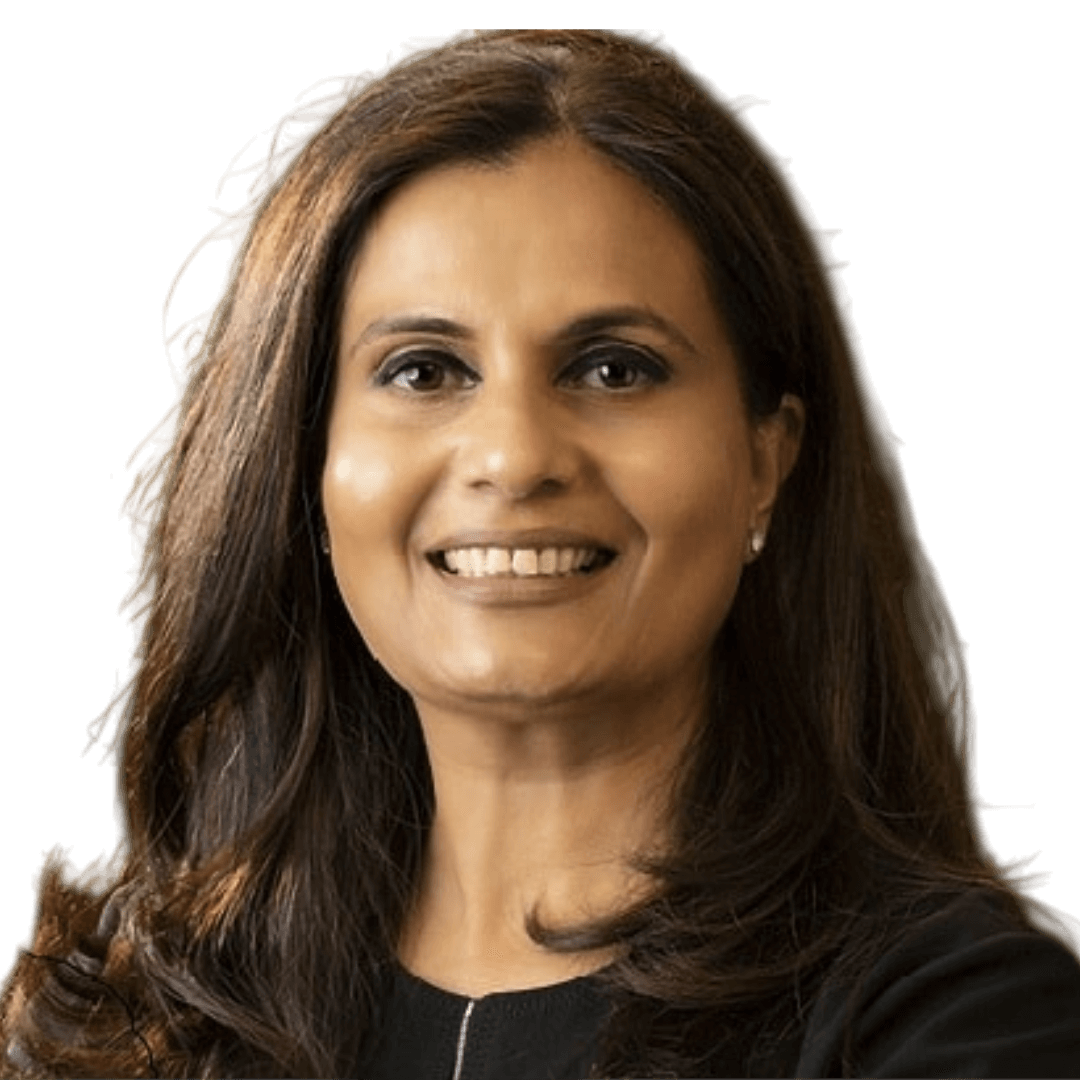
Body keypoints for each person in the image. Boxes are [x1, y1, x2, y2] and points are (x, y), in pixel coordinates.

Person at [2, 28, 1078, 1079]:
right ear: (303, 464)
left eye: (615, 369)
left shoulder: (956, 1019)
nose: (515, 457)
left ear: (768, 460)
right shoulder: (127, 1020)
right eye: (424, 372)